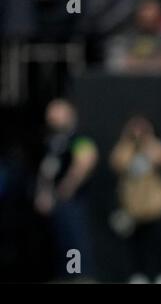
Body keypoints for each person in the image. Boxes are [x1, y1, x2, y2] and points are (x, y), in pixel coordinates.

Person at [34, 99, 98, 281]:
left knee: (75, 240)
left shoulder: (78, 138)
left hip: (73, 199)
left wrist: (68, 186)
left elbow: (86, 161)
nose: (52, 119)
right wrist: (43, 193)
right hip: (56, 201)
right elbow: (46, 169)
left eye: (56, 114)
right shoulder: (53, 141)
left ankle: (79, 275)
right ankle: (66, 275)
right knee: (61, 240)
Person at [109, 116, 161, 283]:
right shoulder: (126, 149)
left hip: (156, 206)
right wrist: (127, 139)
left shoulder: (155, 146)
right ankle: (138, 275)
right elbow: (117, 162)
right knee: (136, 244)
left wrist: (148, 140)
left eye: (142, 129)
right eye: (134, 129)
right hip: (133, 208)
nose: (138, 132)